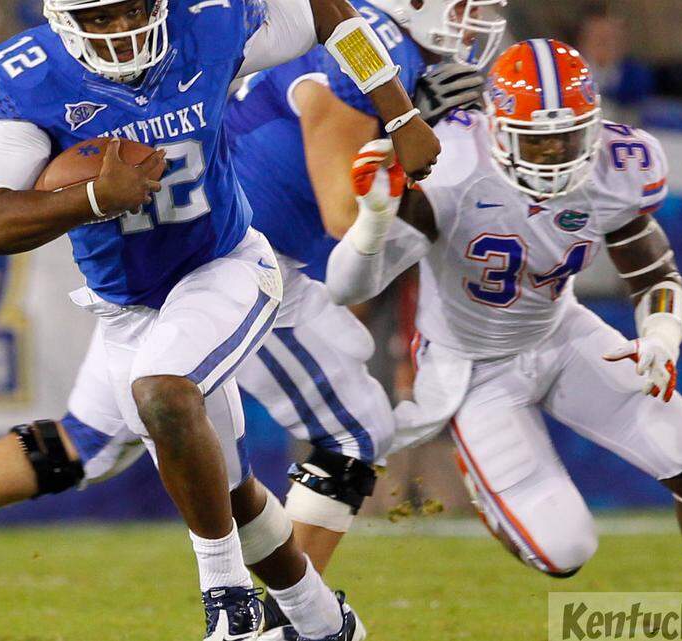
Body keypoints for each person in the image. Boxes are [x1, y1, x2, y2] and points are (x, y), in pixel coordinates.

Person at [0, 1, 441, 640]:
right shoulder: (33, 75)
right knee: (223, 490)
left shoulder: (206, 23)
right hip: (128, 307)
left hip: (224, 263)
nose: (121, 31)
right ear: (65, 21)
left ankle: (228, 605)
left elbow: (329, 12)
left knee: (162, 392)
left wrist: (400, 112)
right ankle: (325, 626)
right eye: (98, 18)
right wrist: (92, 197)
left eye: (129, 10)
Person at [326, 40, 682, 640]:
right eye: (538, 141)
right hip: (472, 369)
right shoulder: (451, 164)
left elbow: (654, 271)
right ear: (497, 128)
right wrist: (373, 224)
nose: (554, 154)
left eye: (567, 137)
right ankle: (485, 483)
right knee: (565, 550)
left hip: (561, 333)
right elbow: (345, 287)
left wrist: (661, 335)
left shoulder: (616, 165)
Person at [222, 1, 504, 636]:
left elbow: (356, 258)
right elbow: (344, 218)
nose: (475, 19)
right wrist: (405, 125)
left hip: (262, 259)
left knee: (86, 445)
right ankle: (281, 619)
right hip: (232, 260)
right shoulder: (378, 45)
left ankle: (282, 617)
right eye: (464, 5)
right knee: (352, 431)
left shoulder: (389, 46)